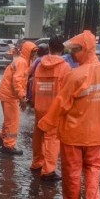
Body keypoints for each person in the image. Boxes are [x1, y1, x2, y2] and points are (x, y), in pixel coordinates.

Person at [38, 30, 100, 199]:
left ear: (85, 49)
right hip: (98, 133)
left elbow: (60, 105)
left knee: (72, 171)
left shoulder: (76, 75)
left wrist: (44, 125)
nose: (72, 54)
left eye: (74, 50)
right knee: (94, 168)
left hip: (74, 134)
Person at [30, 35, 71, 182]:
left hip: (39, 106)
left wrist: (33, 101)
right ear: (63, 49)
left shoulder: (40, 64)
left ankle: (36, 163)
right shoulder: (65, 67)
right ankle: (48, 170)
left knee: (38, 135)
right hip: (54, 108)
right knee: (52, 139)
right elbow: (67, 91)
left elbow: (34, 86)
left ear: (49, 48)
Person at [0, 41, 38, 155]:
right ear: (29, 52)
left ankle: (1, 139)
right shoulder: (22, 62)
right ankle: (9, 145)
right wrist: (22, 97)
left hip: (7, 94)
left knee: (9, 120)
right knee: (13, 121)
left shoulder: (21, 61)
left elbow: (19, 81)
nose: (34, 56)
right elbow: (17, 81)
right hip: (10, 95)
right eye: (33, 53)